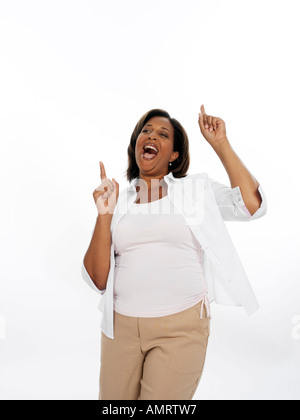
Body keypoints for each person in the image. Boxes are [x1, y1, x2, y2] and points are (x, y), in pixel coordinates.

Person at [81, 105, 267, 400]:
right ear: (136, 145)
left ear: (174, 155)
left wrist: (220, 144)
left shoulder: (194, 190)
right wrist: (104, 215)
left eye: (162, 134)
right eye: (146, 130)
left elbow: (251, 206)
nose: (151, 135)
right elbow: (97, 279)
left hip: (180, 329)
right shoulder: (119, 200)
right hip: (120, 329)